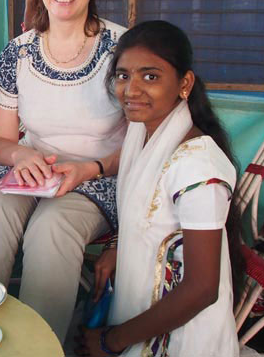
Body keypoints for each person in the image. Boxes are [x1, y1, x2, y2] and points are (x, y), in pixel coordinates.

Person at [0, 0, 127, 343]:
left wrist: (87, 169)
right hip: (29, 173)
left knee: (52, 230)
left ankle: (38, 346)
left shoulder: (123, 49)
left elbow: (147, 144)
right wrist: (20, 156)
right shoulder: (18, 51)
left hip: (98, 177)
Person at [74, 20, 244, 357]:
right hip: (140, 313)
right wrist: (119, 250)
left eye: (150, 76)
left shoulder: (198, 166)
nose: (131, 90)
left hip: (181, 337)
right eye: (123, 76)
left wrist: (112, 341)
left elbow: (201, 289)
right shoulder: (142, 133)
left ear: (184, 84)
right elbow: (151, 215)